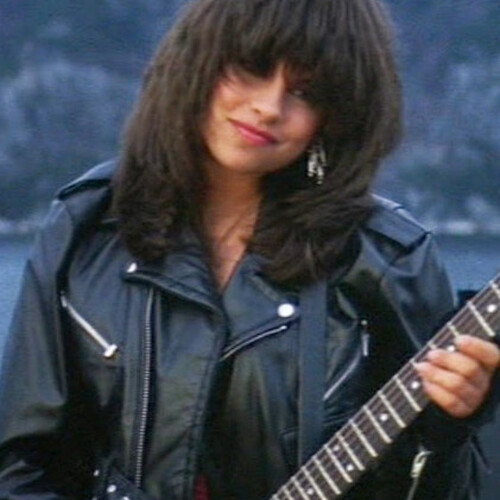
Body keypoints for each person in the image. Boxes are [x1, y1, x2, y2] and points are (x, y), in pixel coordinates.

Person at [0, 0, 498, 498]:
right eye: (253, 68)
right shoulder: (87, 227)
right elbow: (21, 465)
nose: (270, 107)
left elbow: (445, 487)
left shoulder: (389, 262)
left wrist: (448, 429)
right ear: (195, 62)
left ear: (336, 118)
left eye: (305, 92)